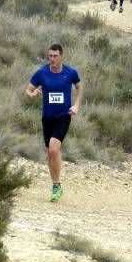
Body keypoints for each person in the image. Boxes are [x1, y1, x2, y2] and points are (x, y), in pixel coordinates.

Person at [25, 44, 83, 203]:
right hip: (47, 117)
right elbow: (28, 90)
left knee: (53, 148)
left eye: (55, 56)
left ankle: (56, 185)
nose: (52, 59)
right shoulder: (41, 73)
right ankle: (55, 183)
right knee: (50, 153)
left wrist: (76, 105)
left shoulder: (70, 73)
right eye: (50, 56)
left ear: (61, 56)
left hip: (63, 116)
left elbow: (79, 87)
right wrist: (33, 94)